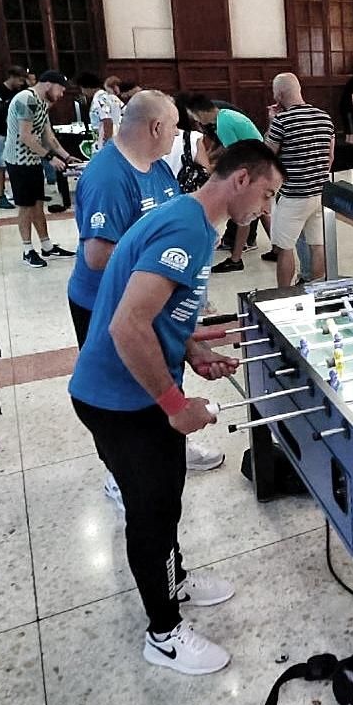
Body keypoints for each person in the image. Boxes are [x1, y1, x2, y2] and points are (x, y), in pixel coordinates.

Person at [68, 140, 282, 677]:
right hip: (122, 400)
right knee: (152, 512)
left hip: (129, 391)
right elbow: (127, 324)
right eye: (266, 194)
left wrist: (191, 347)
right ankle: (162, 634)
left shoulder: (189, 218)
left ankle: (174, 579)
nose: (266, 208)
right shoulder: (187, 228)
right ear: (241, 180)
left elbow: (154, 310)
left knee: (164, 504)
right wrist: (175, 403)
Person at [69, 89, 226, 508]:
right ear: (156, 127)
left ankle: (170, 435)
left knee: (160, 368)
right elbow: (97, 254)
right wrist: (159, 266)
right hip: (101, 301)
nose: (178, 135)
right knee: (120, 389)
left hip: (155, 299)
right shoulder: (107, 175)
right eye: (175, 127)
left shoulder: (158, 169)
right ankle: (120, 472)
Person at [5, 70, 80, 268]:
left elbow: (49, 137)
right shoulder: (26, 100)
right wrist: (50, 158)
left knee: (37, 204)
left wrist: (65, 155)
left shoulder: (41, 103)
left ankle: (46, 246)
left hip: (33, 161)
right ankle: (27, 249)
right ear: (48, 85)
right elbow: (25, 136)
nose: (61, 94)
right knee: (26, 206)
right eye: (60, 89)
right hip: (19, 161)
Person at [265, 73, 334, 286]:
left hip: (293, 194)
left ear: (279, 94)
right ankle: (316, 289)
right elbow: (330, 157)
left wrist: (271, 122)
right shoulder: (325, 117)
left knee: (285, 249)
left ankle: (283, 295)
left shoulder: (282, 121)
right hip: (320, 192)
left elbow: (267, 155)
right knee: (317, 244)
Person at [189, 96, 268, 271]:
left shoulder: (223, 124)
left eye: (194, 117)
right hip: (259, 161)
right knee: (262, 210)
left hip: (253, 164)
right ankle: (278, 249)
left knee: (245, 213)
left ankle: (236, 259)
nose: (195, 121)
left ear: (201, 113)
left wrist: (214, 171)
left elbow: (234, 155)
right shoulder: (226, 115)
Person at [0, 66, 29, 210]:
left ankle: (19, 192)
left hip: (12, 132)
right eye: (20, 80)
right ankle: (0, 196)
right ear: (12, 77)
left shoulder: (20, 91)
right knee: (0, 164)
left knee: (16, 162)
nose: (22, 83)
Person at [83, 71, 124, 149]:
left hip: (106, 140)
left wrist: (107, 146)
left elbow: (107, 121)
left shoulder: (99, 98)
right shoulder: (113, 98)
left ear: (86, 88)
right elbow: (126, 113)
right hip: (117, 139)